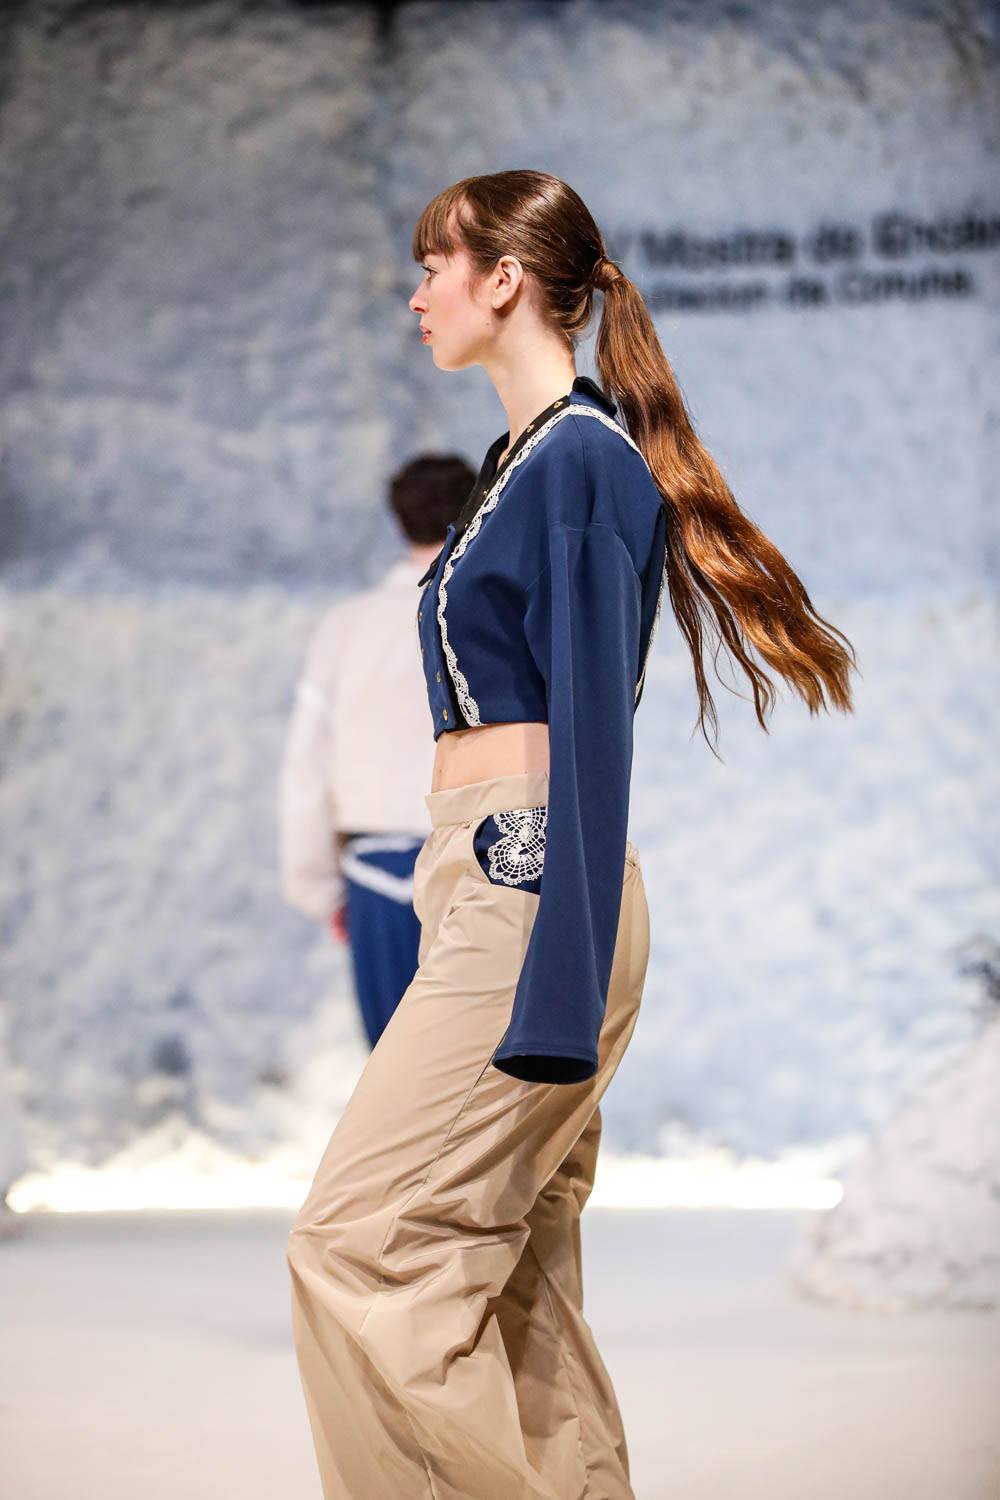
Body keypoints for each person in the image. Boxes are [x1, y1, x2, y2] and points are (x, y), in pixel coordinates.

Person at [286, 170, 858, 1500]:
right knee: (511, 1283)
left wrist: (559, 966)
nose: (416, 294)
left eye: (435, 263)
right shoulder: (530, 462)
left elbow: (595, 730)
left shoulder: (581, 463)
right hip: (494, 873)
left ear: (506, 280)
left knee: (358, 1244)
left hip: (532, 878)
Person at [277, 454, 475, 1050]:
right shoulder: (499, 616)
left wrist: (316, 888)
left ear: (398, 520)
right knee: (479, 1072)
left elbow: (306, 768)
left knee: (395, 1076)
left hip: (375, 872)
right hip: (478, 864)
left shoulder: (345, 627)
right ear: (475, 510)